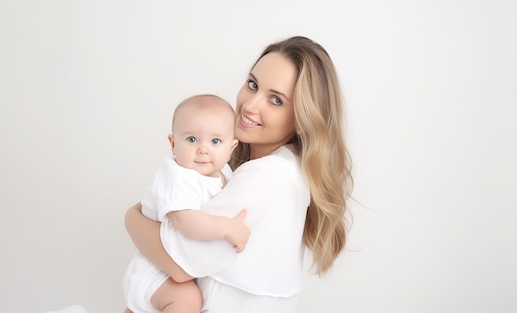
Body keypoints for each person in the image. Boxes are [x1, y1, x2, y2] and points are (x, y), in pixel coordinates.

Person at [125, 35, 353, 313]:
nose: (250, 105)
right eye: (253, 85)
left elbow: (180, 261)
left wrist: (131, 218)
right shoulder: (278, 167)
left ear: (303, 117)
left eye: (276, 100)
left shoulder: (270, 175)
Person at [123, 94, 250, 313]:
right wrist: (226, 227)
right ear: (172, 143)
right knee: (188, 300)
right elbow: (183, 218)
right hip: (154, 270)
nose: (203, 149)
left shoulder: (223, 173)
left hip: (168, 267)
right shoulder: (178, 176)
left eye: (215, 141)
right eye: (192, 140)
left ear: (231, 147)